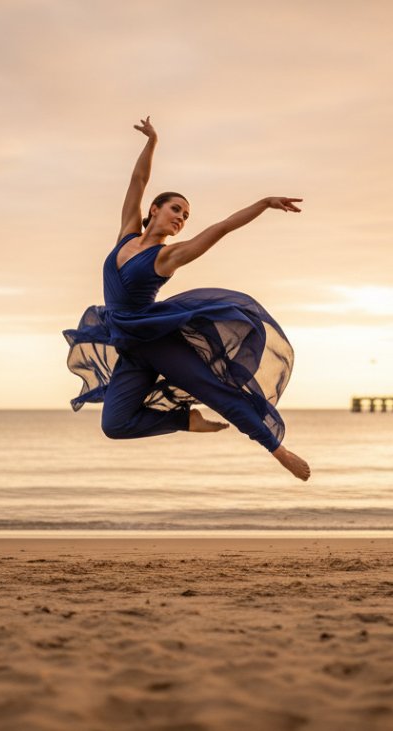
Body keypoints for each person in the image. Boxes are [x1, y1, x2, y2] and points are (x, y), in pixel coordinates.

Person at [63, 117, 311, 480]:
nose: (181, 218)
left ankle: (279, 450)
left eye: (185, 216)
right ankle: (185, 420)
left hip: (155, 339)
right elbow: (138, 182)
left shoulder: (167, 257)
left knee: (215, 391)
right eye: (175, 209)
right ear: (154, 210)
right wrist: (152, 141)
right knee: (114, 425)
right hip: (129, 344)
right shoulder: (126, 236)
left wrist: (263, 203)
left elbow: (221, 228)